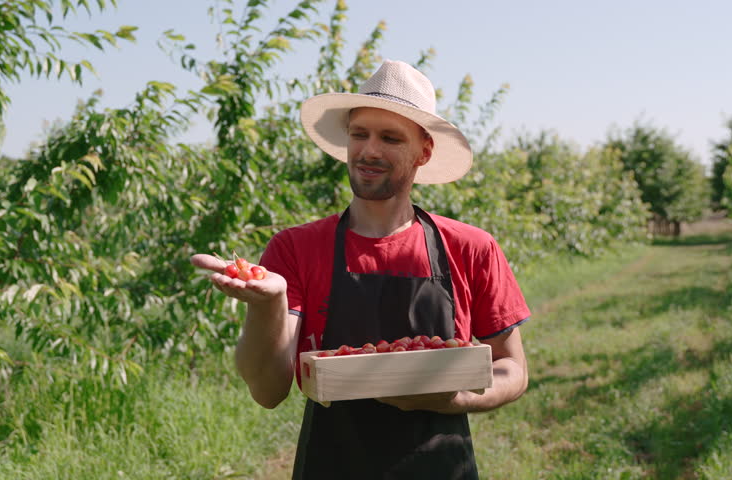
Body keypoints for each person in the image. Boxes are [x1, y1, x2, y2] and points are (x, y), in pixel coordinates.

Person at [191, 59, 531, 480]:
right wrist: (269, 304)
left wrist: (453, 399)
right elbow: (267, 390)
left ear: (424, 151)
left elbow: (513, 369)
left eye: (390, 137)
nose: (369, 150)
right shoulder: (295, 249)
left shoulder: (470, 248)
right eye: (359, 134)